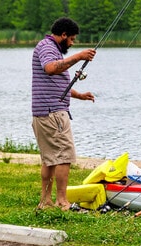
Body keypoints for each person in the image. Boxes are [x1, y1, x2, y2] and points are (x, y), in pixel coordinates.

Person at [31, 17, 96, 210]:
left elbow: (57, 85)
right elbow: (50, 69)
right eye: (72, 39)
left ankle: (45, 201)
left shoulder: (51, 49)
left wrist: (80, 95)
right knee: (63, 157)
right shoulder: (48, 48)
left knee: (50, 159)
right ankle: (61, 201)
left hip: (45, 111)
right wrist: (78, 57)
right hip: (53, 114)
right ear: (64, 34)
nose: (73, 43)